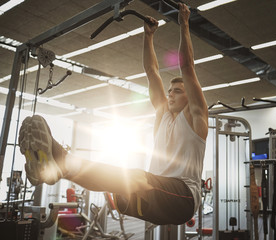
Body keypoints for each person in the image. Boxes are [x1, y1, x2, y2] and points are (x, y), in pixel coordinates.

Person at [19, 3, 208, 225]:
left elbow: (187, 69)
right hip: (153, 197)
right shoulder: (163, 114)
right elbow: (151, 72)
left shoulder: (197, 119)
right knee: (123, 183)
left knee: (136, 177)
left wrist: (184, 23)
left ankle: (61, 160)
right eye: (169, 91)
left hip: (183, 198)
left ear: (190, 97)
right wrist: (148, 36)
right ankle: (58, 168)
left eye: (177, 91)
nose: (170, 95)